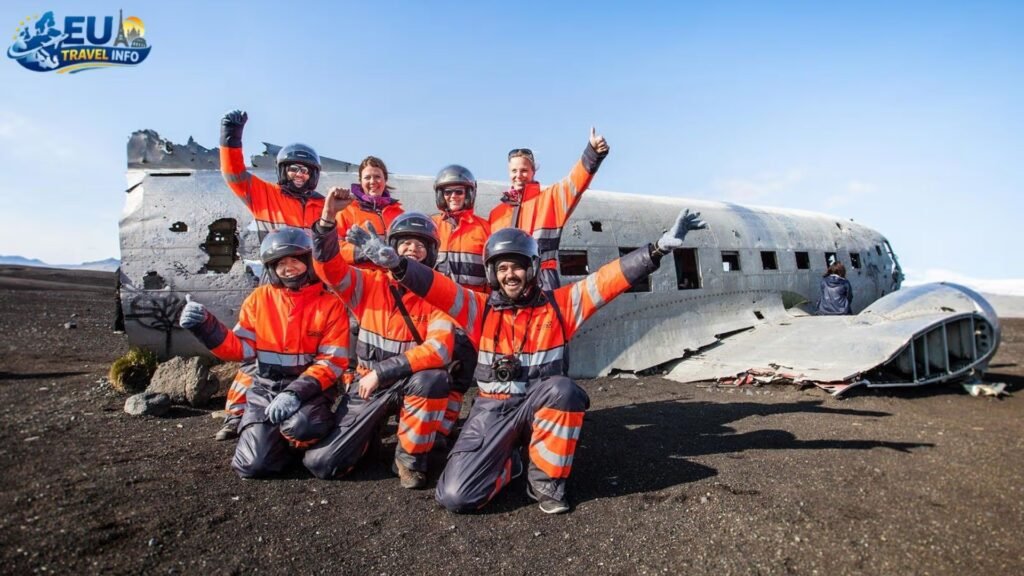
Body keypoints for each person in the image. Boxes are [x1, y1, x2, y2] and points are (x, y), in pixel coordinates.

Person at [347, 207, 708, 513]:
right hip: (493, 408)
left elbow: (608, 279)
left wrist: (658, 249)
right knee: (456, 496)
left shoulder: (561, 305)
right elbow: (434, 286)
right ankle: (512, 463)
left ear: (532, 268)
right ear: (492, 273)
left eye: (517, 266)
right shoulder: (477, 309)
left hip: (538, 404)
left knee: (564, 391)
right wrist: (395, 263)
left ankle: (546, 482)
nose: (510, 274)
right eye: (501, 268)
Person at [304, 196, 453, 489]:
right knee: (323, 463)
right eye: (405, 244)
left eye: (421, 245)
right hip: (365, 385)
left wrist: (382, 372)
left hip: (404, 382)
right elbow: (328, 269)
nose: (413, 250)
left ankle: (409, 460)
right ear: (391, 248)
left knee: (433, 380)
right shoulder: (368, 283)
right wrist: (326, 223)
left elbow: (440, 348)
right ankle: (367, 437)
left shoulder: (438, 293)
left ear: (432, 253)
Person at [179, 228, 349, 478]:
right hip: (265, 388)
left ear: (308, 262)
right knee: (253, 467)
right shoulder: (258, 300)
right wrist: (205, 326)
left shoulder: (330, 304)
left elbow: (332, 361)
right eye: (280, 263)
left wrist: (294, 393)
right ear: (271, 268)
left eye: (295, 260)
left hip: (311, 390)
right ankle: (274, 441)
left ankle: (296, 441)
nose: (288, 267)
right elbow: (241, 349)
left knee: (304, 426)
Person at [215, 109, 333, 442]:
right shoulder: (264, 194)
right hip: (273, 289)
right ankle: (236, 414)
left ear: (314, 174)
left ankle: (307, 406)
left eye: (305, 170)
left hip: (313, 291)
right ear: (282, 171)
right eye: (293, 168)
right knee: (258, 354)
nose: (299, 174)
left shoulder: (324, 206)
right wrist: (231, 137)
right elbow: (233, 173)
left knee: (310, 355)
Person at [490, 128, 610, 290]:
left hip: (543, 283)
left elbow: (574, 183)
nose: (519, 175)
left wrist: (592, 153)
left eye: (524, 170)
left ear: (533, 171)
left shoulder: (550, 200)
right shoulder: (497, 214)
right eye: (514, 171)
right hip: (509, 285)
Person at [430, 164, 491, 440]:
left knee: (460, 377)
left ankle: (444, 428)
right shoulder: (430, 226)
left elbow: (493, 277)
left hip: (470, 317)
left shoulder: (484, 230)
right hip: (435, 316)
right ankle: (428, 426)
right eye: (448, 192)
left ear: (469, 194)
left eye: (459, 191)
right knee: (433, 373)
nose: (453, 196)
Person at [331, 156, 405, 265]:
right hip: (362, 277)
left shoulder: (399, 214)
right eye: (367, 177)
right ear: (360, 181)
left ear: (385, 179)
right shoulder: (346, 210)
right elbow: (333, 247)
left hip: (394, 277)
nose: (372, 181)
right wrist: (365, 252)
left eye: (377, 177)